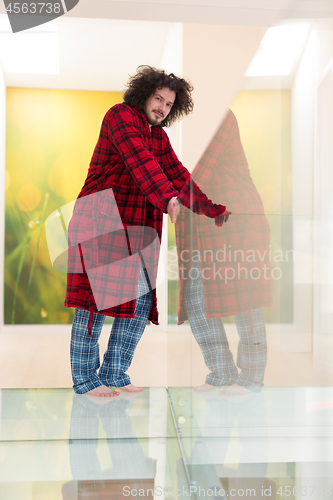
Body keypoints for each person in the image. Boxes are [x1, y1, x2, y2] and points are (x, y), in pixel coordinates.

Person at [65, 66, 229, 397]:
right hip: (102, 221)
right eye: (158, 99)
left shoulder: (159, 136)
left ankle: (113, 372)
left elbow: (178, 175)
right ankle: (85, 380)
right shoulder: (120, 117)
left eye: (169, 104)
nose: (162, 108)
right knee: (95, 305)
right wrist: (165, 197)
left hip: (137, 228)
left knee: (139, 303)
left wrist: (212, 209)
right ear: (144, 95)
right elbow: (140, 161)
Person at [175, 109, 273, 393]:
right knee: (195, 301)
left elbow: (203, 165)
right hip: (200, 219)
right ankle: (221, 371)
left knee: (245, 299)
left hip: (235, 213)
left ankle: (252, 377)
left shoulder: (219, 113)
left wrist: (175, 198)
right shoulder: (178, 122)